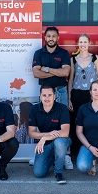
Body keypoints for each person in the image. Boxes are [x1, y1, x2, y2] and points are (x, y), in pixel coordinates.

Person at [32, 27, 72, 169]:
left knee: (62, 124)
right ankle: (45, 152)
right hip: (46, 94)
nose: (51, 38)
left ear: (58, 38)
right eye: (48, 36)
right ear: (45, 38)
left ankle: (65, 155)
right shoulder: (38, 53)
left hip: (61, 92)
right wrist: (57, 72)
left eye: (53, 36)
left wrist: (46, 69)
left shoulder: (63, 53)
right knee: (47, 122)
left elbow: (65, 72)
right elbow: (36, 74)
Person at [28, 85, 71, 184]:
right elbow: (31, 133)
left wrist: (44, 137)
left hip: (62, 140)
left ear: (54, 96)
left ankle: (58, 172)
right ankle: (56, 157)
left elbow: (65, 132)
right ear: (40, 96)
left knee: (59, 142)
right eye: (44, 95)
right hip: (46, 144)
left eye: (49, 95)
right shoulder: (34, 109)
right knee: (38, 173)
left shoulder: (62, 108)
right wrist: (45, 136)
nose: (47, 98)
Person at [67, 33, 98, 158]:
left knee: (91, 122)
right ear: (77, 44)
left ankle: (91, 150)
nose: (83, 45)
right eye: (80, 42)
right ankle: (76, 151)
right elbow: (71, 79)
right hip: (77, 95)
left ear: (89, 43)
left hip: (91, 95)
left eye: (85, 42)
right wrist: (69, 98)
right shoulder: (73, 59)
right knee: (77, 122)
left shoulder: (95, 58)